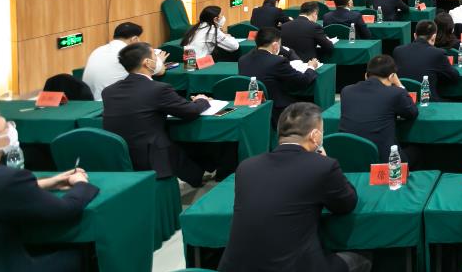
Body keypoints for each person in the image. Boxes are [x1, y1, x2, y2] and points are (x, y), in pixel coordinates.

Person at [218, 103, 370, 272]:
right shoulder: (323, 166)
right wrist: (325, 160)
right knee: (363, 257)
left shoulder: (246, 167)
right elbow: (347, 203)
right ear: (315, 136)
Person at [0, 105, 99, 272]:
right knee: (77, 254)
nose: (11, 130)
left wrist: (48, 182)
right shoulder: (9, 178)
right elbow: (65, 211)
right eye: (6, 127)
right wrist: (81, 184)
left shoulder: (6, 181)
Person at [101, 42, 218, 186]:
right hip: (150, 154)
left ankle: (196, 174)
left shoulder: (109, 91)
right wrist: (202, 100)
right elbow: (190, 111)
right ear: (147, 63)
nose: (159, 60)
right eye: (155, 56)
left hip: (119, 154)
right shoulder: (158, 89)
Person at [339, 54, 419, 161]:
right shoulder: (396, 93)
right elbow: (412, 112)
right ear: (392, 77)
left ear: (366, 75)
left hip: (350, 156)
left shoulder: (346, 91)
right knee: (418, 152)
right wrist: (399, 84)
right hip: (384, 160)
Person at [238, 27, 320, 127]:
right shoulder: (277, 62)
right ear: (275, 45)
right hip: (277, 111)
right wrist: (311, 67)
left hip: (250, 108)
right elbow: (302, 81)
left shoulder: (243, 60)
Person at [391, 20, 459, 100]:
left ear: (415, 35)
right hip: (427, 101)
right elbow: (454, 76)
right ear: (434, 37)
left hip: (402, 100)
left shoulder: (398, 51)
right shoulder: (438, 53)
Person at [82, 21, 143, 100]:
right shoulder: (127, 53)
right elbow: (154, 70)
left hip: (90, 101)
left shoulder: (98, 50)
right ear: (134, 39)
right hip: (110, 102)